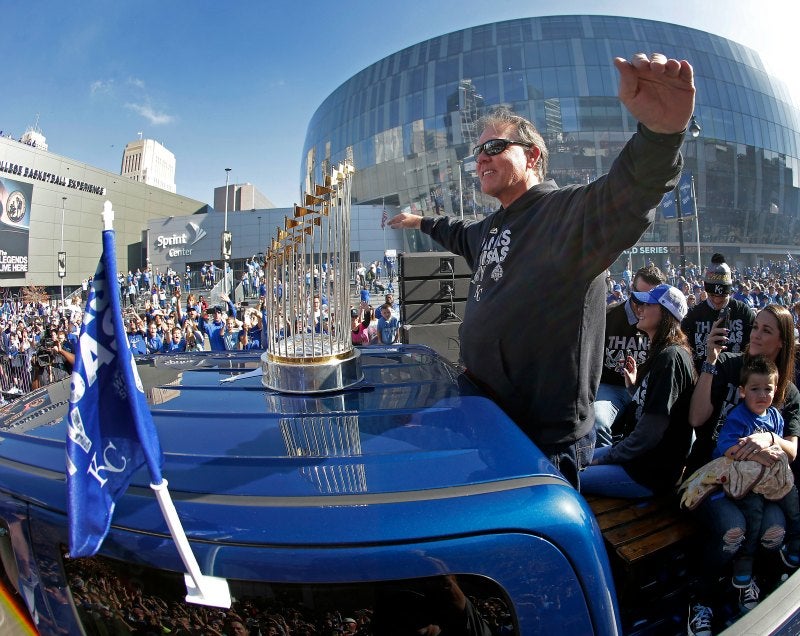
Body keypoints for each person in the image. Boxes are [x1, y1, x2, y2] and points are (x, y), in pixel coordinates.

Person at [388, 52, 695, 488]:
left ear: (532, 155)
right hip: (488, 420)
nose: (481, 159)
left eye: (494, 147)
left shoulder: (564, 215)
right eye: (477, 152)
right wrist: (418, 221)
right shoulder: (491, 227)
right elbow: (455, 230)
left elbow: (627, 193)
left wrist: (661, 136)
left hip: (543, 443)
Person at [686, 304, 800, 632]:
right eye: (755, 327)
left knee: (774, 529)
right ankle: (701, 600)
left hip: (757, 483)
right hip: (713, 475)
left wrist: (769, 438)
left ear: (782, 342)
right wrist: (710, 361)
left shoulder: (786, 390)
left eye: (766, 330)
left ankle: (747, 584)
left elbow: (792, 449)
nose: (756, 335)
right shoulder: (727, 365)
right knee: (732, 530)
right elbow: (696, 418)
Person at [581, 284, 695, 497]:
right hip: (640, 459)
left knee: (567, 477)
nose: (639, 308)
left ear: (665, 313)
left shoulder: (670, 358)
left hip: (647, 472)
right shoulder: (664, 352)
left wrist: (607, 458)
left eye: (647, 304)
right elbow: (655, 408)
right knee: (571, 460)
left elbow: (650, 433)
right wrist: (634, 387)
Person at [711, 355, 800, 598]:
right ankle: (745, 560)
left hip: (768, 480)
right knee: (755, 514)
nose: (762, 395)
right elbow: (725, 447)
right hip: (746, 483)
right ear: (742, 392)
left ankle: (795, 540)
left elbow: (782, 449)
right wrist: (757, 456)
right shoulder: (738, 417)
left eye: (768, 389)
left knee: (793, 498)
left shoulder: (775, 417)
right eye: (755, 389)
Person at [594, 265, 666, 449]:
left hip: (646, 388)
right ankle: (608, 462)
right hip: (611, 387)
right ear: (631, 290)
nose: (643, 305)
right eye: (639, 296)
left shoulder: (663, 320)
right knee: (597, 421)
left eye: (651, 300)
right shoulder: (609, 315)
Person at [682, 253, 756, 370]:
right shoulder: (693, 316)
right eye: (712, 295)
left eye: (722, 296)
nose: (717, 300)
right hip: (703, 377)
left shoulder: (743, 313)